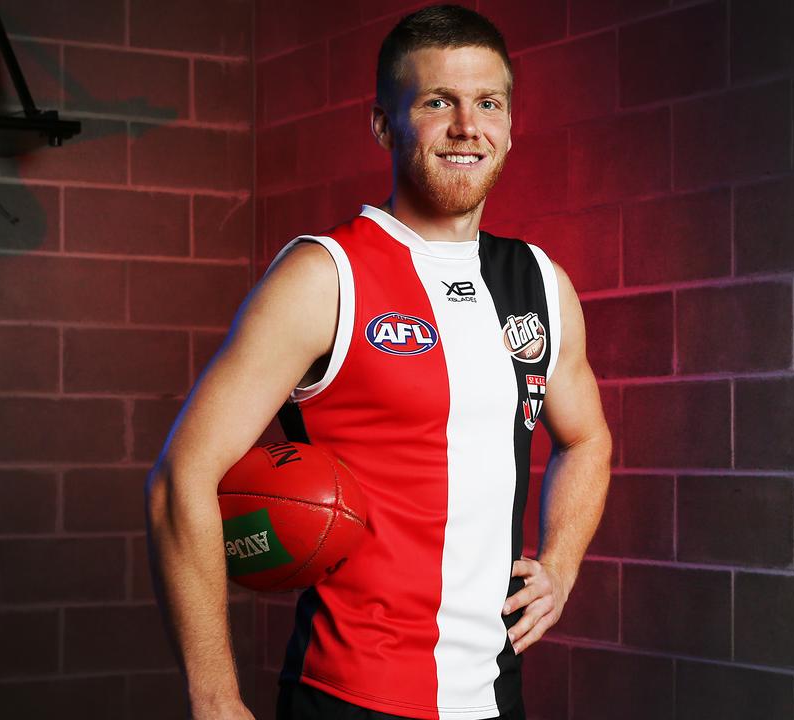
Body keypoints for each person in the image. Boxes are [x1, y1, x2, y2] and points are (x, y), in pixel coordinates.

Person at [145, 6, 611, 720]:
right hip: (347, 696)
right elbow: (182, 478)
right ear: (383, 124)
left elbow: (587, 439)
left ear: (510, 124)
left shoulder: (541, 283)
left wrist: (561, 564)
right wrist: (213, 699)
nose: (467, 126)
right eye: (437, 102)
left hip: (494, 698)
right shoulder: (324, 276)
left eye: (488, 102)